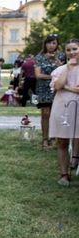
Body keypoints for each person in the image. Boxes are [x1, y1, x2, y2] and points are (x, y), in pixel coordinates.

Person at [49, 39, 79, 186]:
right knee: (62, 141)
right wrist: (68, 68)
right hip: (63, 108)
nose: (72, 52)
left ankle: (75, 158)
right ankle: (64, 174)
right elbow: (58, 86)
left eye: (75, 49)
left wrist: (68, 88)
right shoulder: (60, 70)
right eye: (68, 50)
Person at [35, 35, 63, 148]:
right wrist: (53, 76)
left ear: (57, 45)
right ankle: (45, 139)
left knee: (55, 114)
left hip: (57, 88)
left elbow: (64, 71)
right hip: (43, 89)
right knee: (45, 114)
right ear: (45, 44)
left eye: (54, 43)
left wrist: (57, 62)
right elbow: (38, 75)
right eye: (49, 43)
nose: (51, 45)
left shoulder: (61, 55)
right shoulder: (39, 57)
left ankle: (54, 138)